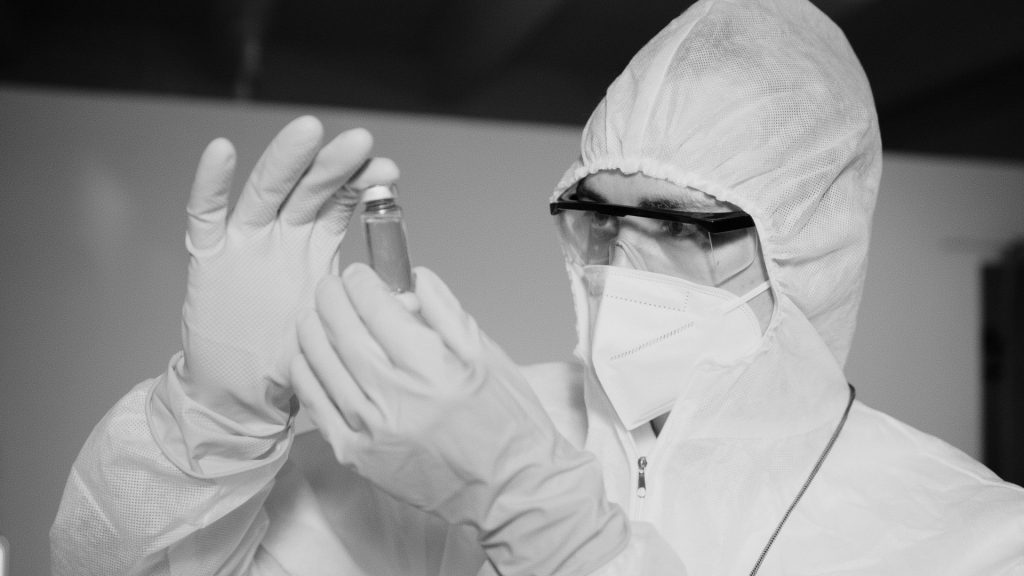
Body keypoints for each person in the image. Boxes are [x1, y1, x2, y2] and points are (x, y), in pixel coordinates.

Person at [51, 0, 1024, 573]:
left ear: (811, 245)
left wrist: (556, 532)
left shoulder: (964, 532)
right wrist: (211, 427)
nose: (625, 262)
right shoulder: (458, 436)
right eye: (597, 213)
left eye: (689, 226)